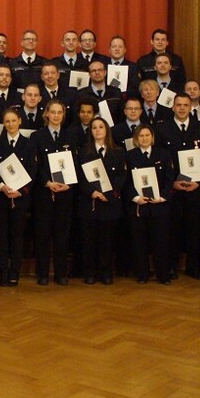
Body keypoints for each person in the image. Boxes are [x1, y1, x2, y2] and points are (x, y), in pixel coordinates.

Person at [155, 93, 200, 280]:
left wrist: (199, 181)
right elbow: (160, 160)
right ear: (173, 107)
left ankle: (194, 266)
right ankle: (171, 267)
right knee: (172, 230)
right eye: (178, 105)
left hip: (196, 188)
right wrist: (172, 183)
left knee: (195, 229)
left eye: (185, 105)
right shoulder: (162, 129)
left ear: (190, 107)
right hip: (174, 189)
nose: (182, 108)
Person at [31, 100, 76, 285]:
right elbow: (36, 165)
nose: (56, 115)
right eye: (53, 112)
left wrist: (70, 184)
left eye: (60, 112)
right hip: (44, 193)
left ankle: (60, 273)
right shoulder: (37, 136)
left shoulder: (70, 136)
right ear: (46, 114)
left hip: (65, 193)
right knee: (42, 234)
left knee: (62, 235)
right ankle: (42, 273)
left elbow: (76, 164)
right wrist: (47, 182)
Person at [0, 108, 37, 287]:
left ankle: (14, 273)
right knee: (2, 237)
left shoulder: (29, 144)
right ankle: (3, 272)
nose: (10, 124)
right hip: (1, 197)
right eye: (7, 121)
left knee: (17, 237)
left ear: (20, 121)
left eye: (13, 120)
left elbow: (33, 171)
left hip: (21, 197)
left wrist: (21, 191)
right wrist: (1, 187)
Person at [124, 124, 175, 284]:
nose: (144, 138)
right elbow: (125, 182)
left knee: (161, 242)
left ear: (152, 138)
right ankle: (142, 274)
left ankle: (163, 275)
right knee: (139, 243)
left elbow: (169, 179)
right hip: (139, 207)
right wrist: (135, 197)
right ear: (136, 139)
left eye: (147, 135)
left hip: (159, 206)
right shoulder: (129, 156)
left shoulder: (164, 154)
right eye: (141, 136)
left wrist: (162, 197)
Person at [78, 117, 126, 285]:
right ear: (90, 131)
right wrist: (92, 192)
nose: (97, 130)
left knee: (107, 241)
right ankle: (90, 272)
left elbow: (121, 175)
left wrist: (111, 194)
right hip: (89, 202)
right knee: (88, 241)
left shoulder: (118, 152)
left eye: (101, 127)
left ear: (107, 130)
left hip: (109, 203)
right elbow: (80, 176)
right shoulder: (84, 151)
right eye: (94, 128)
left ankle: (106, 272)